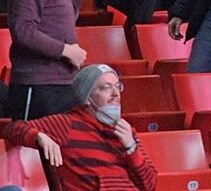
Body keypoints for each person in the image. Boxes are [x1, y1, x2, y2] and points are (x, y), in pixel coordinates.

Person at [2, 64, 158, 190]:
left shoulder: (127, 131)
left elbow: (150, 185)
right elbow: (12, 128)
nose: (115, 94)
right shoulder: (66, 124)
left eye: (118, 87)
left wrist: (131, 148)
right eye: (106, 88)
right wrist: (38, 136)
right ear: (87, 97)